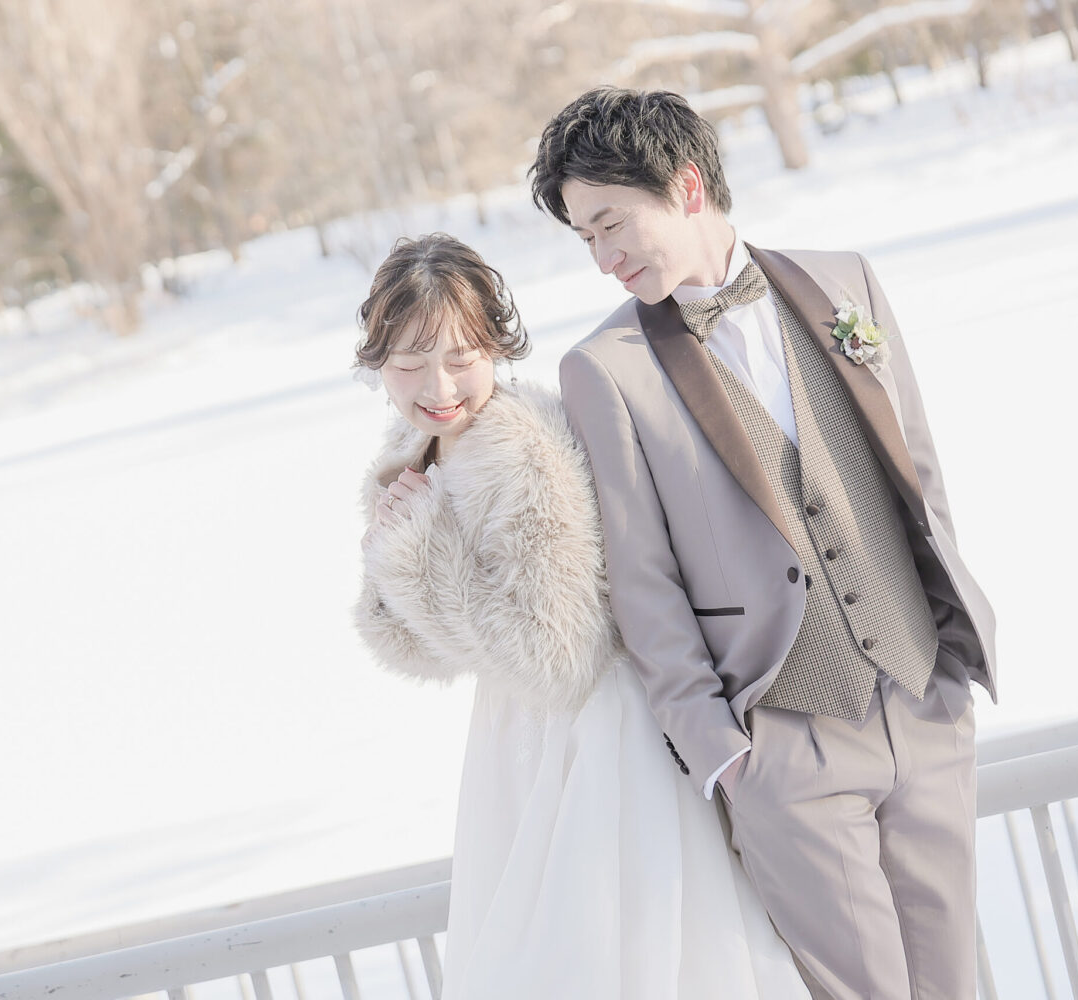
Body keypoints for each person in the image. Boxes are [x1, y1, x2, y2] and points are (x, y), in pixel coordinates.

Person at [531, 88, 997, 1000]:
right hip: (786, 744)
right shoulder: (605, 370)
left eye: (611, 225)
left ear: (687, 185)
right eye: (585, 238)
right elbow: (645, 586)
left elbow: (919, 476)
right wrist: (728, 757)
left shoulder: (844, 284)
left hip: (923, 700)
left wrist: (948, 659)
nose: (603, 258)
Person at [352, 233, 807, 999]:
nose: (439, 385)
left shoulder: (518, 449)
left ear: (496, 347)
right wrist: (392, 561)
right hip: (518, 737)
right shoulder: (421, 446)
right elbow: (421, 647)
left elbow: (558, 656)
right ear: (377, 363)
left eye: (462, 357)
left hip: (591, 739)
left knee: (605, 953)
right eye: (409, 364)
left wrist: (418, 555)